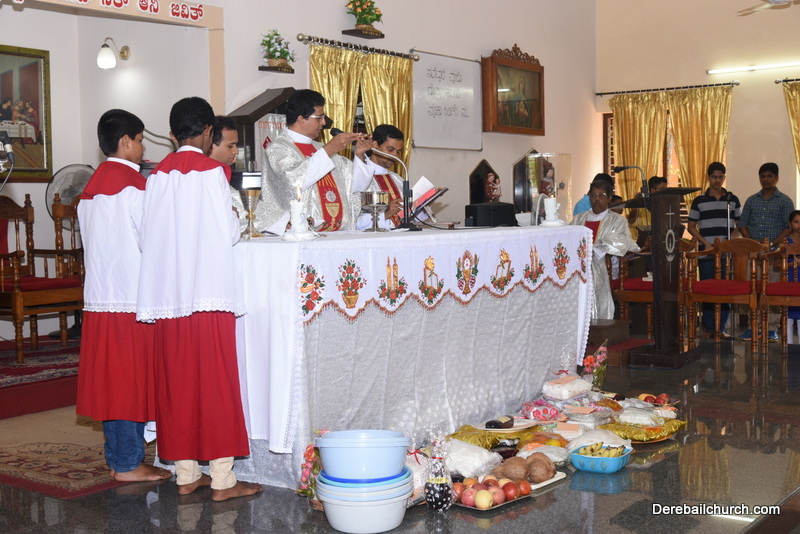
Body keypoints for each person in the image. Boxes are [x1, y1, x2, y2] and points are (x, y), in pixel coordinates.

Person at [136, 97, 262, 501]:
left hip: (168, 298)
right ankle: (223, 479)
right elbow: (228, 230)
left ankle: (186, 474)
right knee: (215, 383)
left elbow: (145, 237)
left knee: (177, 384)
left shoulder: (156, 176)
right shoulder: (212, 173)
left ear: (173, 134)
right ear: (209, 131)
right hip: (209, 294)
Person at [75, 109, 171, 483]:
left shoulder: (89, 192)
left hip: (100, 298)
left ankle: (119, 459)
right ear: (126, 141)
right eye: (141, 140)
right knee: (130, 384)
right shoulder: (133, 189)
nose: (144, 148)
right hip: (132, 298)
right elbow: (154, 242)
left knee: (113, 384)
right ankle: (129, 463)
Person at [258, 89, 371, 232]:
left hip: (337, 233)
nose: (323, 122)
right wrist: (329, 149)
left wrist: (360, 155)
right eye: (319, 117)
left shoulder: (321, 148)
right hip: (301, 233)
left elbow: (354, 184)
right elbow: (294, 181)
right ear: (301, 119)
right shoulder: (278, 149)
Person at [738, 162, 795, 342]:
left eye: (770, 176)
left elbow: (788, 228)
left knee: (773, 291)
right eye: (763, 176)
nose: (766, 179)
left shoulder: (785, 201)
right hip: (754, 254)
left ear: (776, 178)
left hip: (775, 254)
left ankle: (771, 329)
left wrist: (772, 244)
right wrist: (754, 244)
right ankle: (752, 327)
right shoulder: (752, 200)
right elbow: (742, 225)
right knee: (753, 290)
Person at [687, 162, 741, 338]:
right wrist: (705, 244)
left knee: (725, 290)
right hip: (706, 253)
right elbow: (691, 226)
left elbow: (740, 226)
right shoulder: (699, 200)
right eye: (714, 177)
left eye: (720, 177)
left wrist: (726, 243)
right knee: (708, 290)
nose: (717, 180)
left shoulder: (732, 199)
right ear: (708, 178)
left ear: (724, 178)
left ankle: (721, 328)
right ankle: (710, 328)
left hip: (726, 254)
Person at [573, 178, 640, 320]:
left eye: (601, 195)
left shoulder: (617, 220)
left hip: (607, 267)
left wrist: (591, 250)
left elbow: (622, 241)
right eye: (593, 195)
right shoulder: (579, 219)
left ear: (609, 198)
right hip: (580, 266)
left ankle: (599, 323)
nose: (596, 199)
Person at [353, 124, 404, 230]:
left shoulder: (398, 180)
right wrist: (385, 214)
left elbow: (406, 216)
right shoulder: (359, 176)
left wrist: (422, 208)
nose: (395, 155)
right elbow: (353, 220)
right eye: (390, 149)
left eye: (398, 152)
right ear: (375, 145)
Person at [784, 210, 800, 343]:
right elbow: (777, 264)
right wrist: (793, 263)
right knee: (787, 315)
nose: (799, 225)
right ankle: (788, 346)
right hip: (789, 280)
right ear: (790, 223)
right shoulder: (785, 241)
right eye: (796, 222)